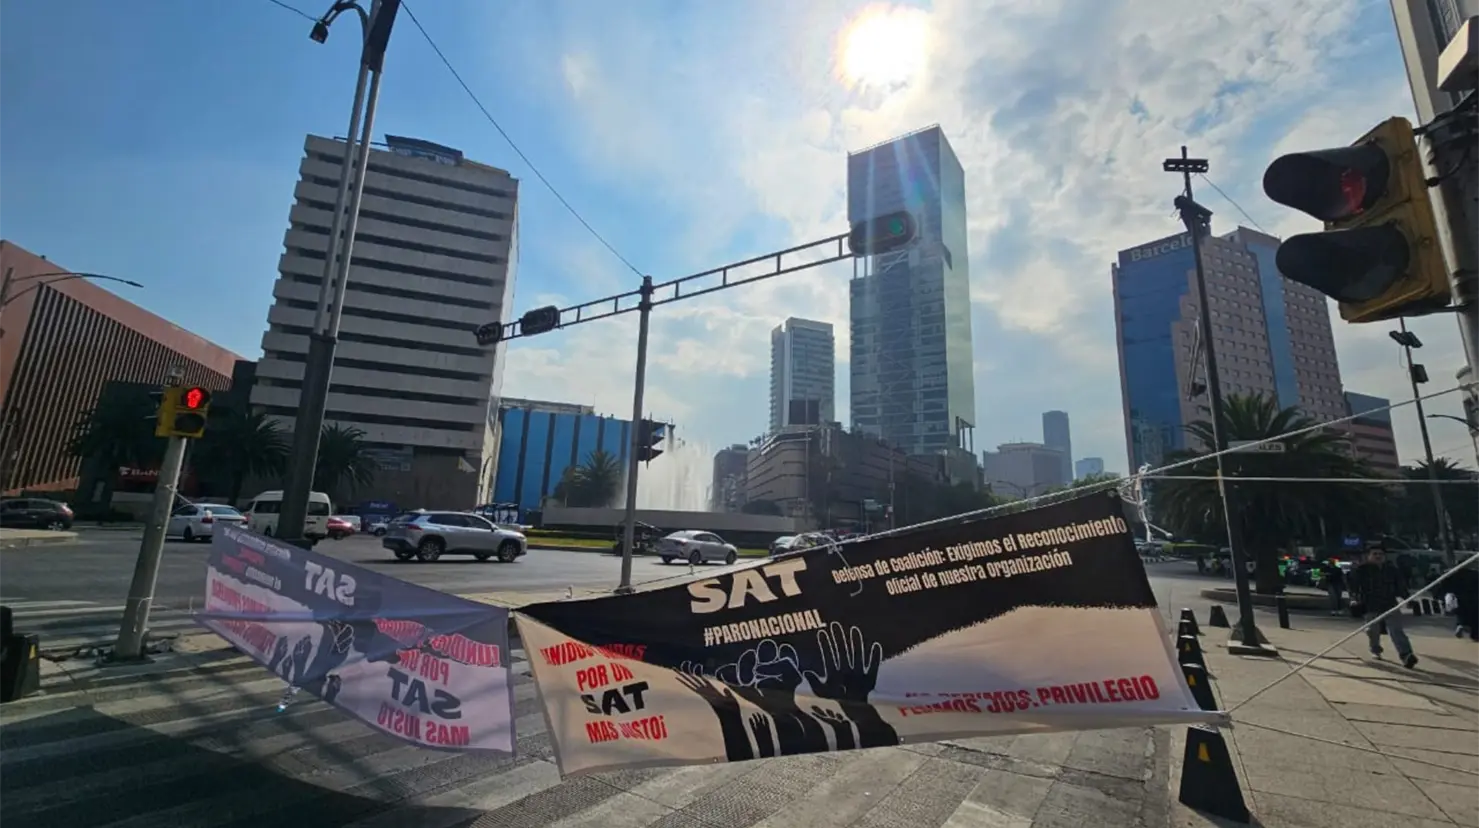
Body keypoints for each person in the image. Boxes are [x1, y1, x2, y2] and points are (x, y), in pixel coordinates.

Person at [1349, 545, 1418, 668]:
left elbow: (1400, 587)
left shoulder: (1392, 570)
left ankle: (1406, 655)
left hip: (1389, 604)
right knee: (1372, 631)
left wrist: (1407, 599)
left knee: (1396, 630)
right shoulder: (1361, 570)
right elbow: (1354, 587)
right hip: (1370, 605)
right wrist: (1354, 599)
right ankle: (1375, 649)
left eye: (1380, 554)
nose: (1378, 556)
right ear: (1369, 556)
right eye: (1374, 554)